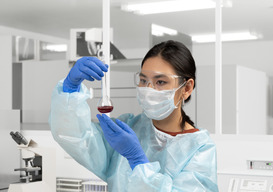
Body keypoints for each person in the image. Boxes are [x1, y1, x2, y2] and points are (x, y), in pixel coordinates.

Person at [49, 40, 219, 192]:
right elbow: (76, 138)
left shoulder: (199, 150)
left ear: (187, 88)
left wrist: (137, 161)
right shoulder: (128, 128)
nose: (149, 89)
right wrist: (70, 90)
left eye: (160, 82)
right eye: (144, 80)